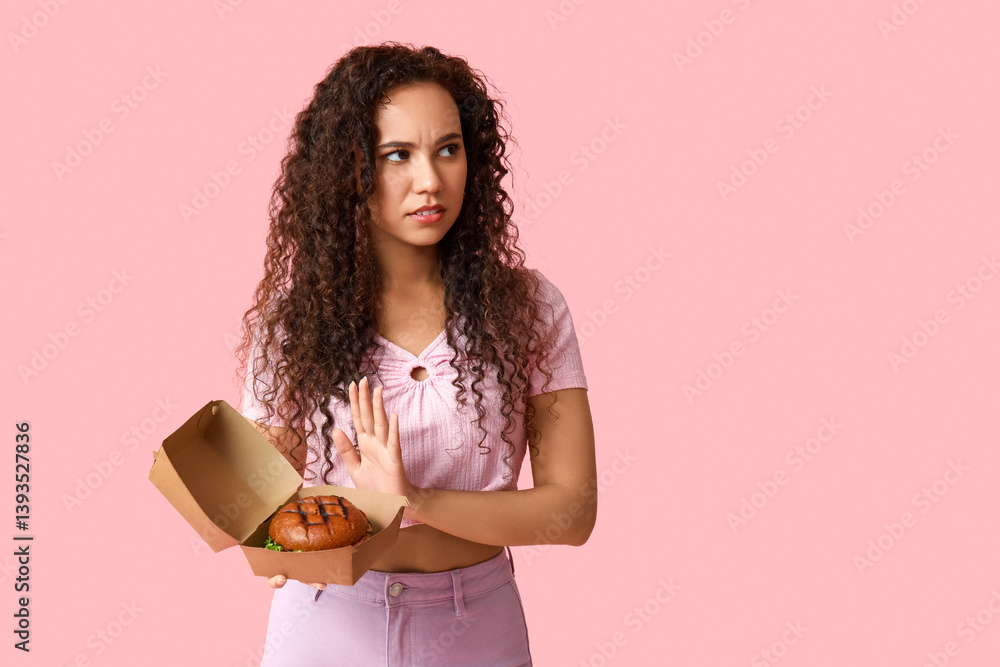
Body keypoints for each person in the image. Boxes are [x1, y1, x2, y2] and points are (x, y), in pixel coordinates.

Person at [235, 42, 597, 666]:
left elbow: (572, 511)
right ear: (349, 169)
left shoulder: (528, 309)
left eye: (448, 149)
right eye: (397, 155)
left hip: (477, 629)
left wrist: (412, 502)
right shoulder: (293, 325)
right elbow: (263, 516)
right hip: (326, 626)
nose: (431, 180)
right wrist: (259, 534)